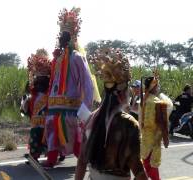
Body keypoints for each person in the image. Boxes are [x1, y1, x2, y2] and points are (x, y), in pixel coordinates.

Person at [75, 48, 147, 180]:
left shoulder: (91, 118)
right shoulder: (129, 123)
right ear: (123, 93)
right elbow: (138, 169)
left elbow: (81, 162)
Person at [44, 7, 94, 168]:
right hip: (54, 104)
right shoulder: (57, 58)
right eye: (61, 35)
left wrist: (86, 107)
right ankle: (52, 158)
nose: (62, 38)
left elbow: (87, 81)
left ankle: (84, 159)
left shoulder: (77, 57)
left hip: (70, 104)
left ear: (72, 37)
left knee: (74, 133)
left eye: (65, 35)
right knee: (52, 130)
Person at [139, 71, 172, 180]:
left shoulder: (143, 101)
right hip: (154, 139)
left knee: (146, 165)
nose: (158, 88)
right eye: (157, 85)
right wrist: (165, 138)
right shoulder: (158, 102)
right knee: (153, 169)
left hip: (144, 138)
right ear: (154, 87)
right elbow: (163, 122)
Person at [20, 49, 51, 161]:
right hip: (36, 117)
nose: (40, 78)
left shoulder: (50, 89)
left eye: (43, 76)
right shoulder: (33, 88)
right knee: (34, 135)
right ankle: (34, 156)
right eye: (38, 76)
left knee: (46, 135)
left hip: (46, 117)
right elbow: (27, 92)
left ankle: (51, 155)